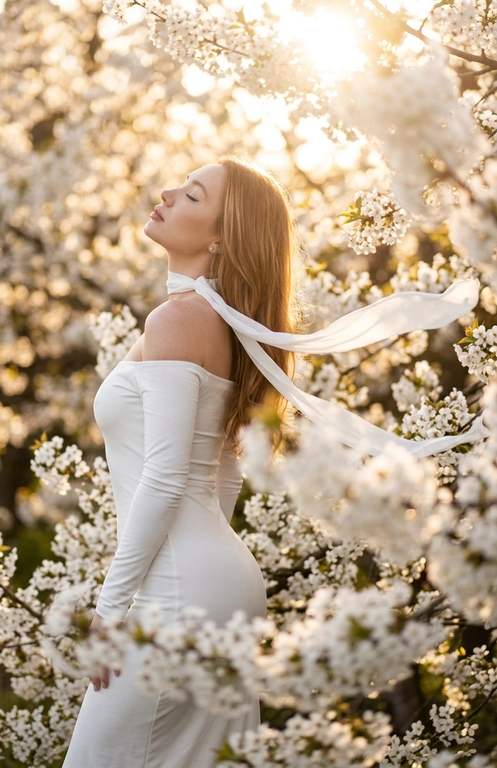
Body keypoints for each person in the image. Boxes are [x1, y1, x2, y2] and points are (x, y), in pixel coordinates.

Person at [61, 154, 486, 767]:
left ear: (219, 239)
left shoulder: (179, 319)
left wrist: (107, 613)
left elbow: (165, 477)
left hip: (176, 592)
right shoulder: (210, 323)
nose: (167, 191)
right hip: (215, 585)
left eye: (193, 194)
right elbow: (221, 474)